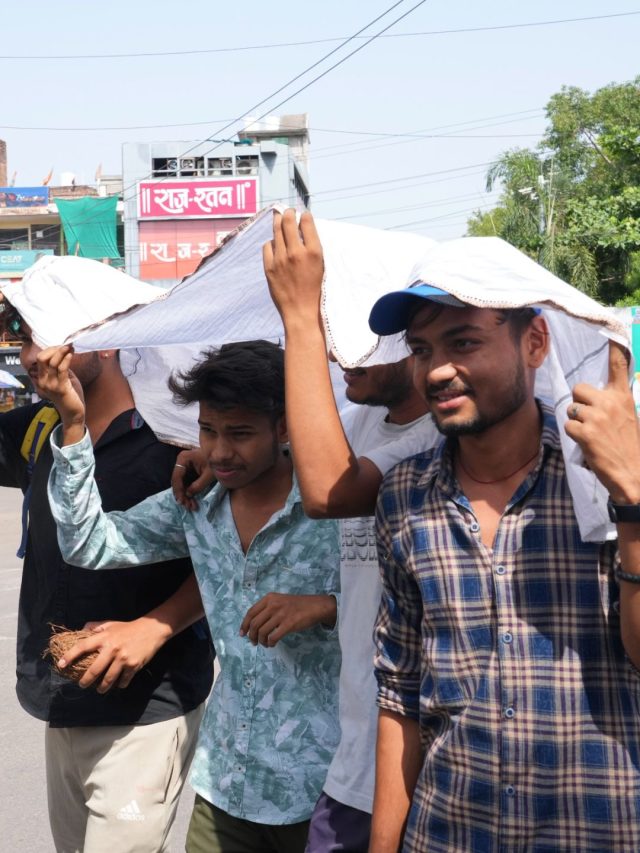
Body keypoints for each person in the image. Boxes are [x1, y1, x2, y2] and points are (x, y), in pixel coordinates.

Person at [365, 284, 640, 852]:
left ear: (535, 342)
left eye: (463, 341)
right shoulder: (406, 495)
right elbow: (400, 692)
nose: (438, 370)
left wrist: (632, 497)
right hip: (447, 834)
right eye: (421, 350)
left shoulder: (604, 477)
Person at [41, 338, 342, 853]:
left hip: (325, 787)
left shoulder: (337, 504)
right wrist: (73, 425)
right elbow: (88, 544)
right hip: (226, 781)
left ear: (286, 427)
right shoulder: (196, 503)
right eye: (209, 431)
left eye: (241, 434)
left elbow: (407, 605)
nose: (221, 451)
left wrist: (326, 607)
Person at [0, 301, 213, 853]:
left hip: (147, 707)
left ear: (109, 337)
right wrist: (68, 421)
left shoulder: (182, 443)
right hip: (59, 697)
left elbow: (229, 554)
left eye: (51, 335)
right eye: (25, 340)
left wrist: (157, 625)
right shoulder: (42, 429)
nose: (32, 356)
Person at [260, 208, 437, 851]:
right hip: (358, 739)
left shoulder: (436, 440)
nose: (337, 349)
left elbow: (328, 492)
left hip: (411, 754)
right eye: (332, 325)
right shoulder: (362, 420)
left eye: (356, 329)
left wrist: (301, 315)